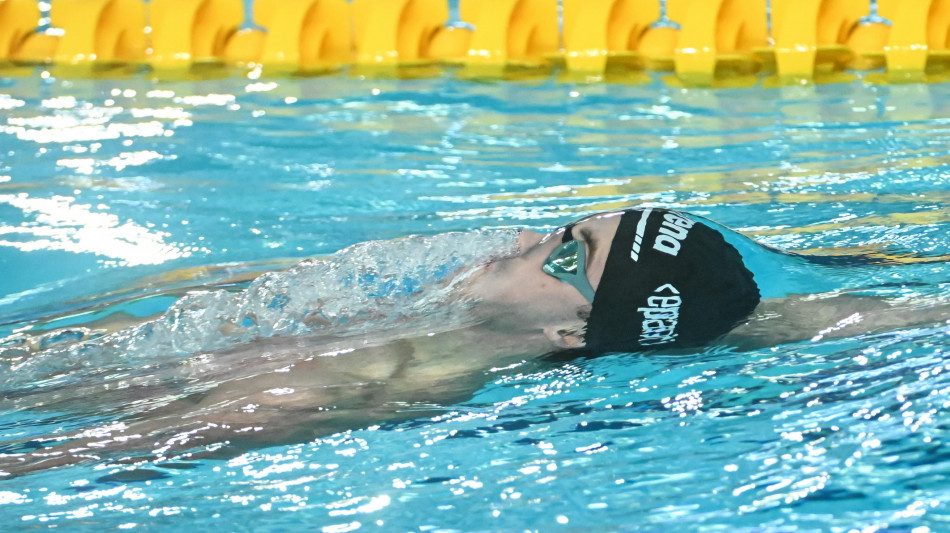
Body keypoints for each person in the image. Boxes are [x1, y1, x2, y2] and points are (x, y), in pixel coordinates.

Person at [1, 207, 946, 476]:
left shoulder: (373, 378)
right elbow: (800, 319)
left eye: (567, 250)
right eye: (569, 223)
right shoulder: (468, 313)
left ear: (572, 328)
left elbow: (65, 459)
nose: (536, 238)